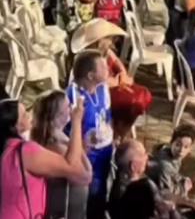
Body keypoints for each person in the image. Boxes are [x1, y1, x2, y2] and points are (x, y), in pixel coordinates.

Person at [0, 96, 90, 219]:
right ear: (16, 126)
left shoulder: (6, 150)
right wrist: (77, 121)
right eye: (24, 114)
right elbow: (75, 168)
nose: (29, 115)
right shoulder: (25, 151)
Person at [71, 19, 153, 142]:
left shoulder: (106, 51)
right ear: (99, 41)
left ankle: (121, 132)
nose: (111, 42)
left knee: (143, 93)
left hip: (114, 85)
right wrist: (119, 81)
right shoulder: (88, 59)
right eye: (108, 38)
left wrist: (123, 74)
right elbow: (100, 81)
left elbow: (117, 63)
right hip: (98, 94)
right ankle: (117, 134)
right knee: (132, 101)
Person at [31, 90, 93, 219]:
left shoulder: (57, 137)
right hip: (65, 212)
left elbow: (75, 158)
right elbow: (84, 177)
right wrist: (77, 122)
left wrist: (84, 146)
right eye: (68, 105)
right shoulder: (54, 145)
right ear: (57, 114)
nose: (72, 108)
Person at [67, 50, 114, 219]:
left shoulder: (103, 89)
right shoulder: (73, 97)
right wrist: (85, 147)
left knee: (101, 195)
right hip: (87, 160)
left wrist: (110, 136)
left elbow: (107, 116)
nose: (108, 69)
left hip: (104, 155)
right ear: (90, 75)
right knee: (88, 201)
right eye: (103, 66)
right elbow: (65, 133)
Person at [147, 124, 195, 200]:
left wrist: (181, 179)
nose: (181, 150)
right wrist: (183, 188)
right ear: (171, 142)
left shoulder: (174, 156)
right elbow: (166, 192)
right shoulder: (164, 165)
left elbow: (172, 172)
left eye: (186, 147)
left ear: (190, 148)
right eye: (178, 145)